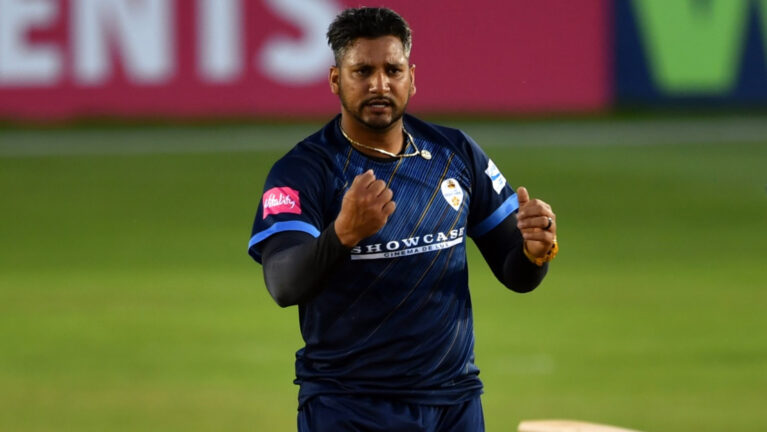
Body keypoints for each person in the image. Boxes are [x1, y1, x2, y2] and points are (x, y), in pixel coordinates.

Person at [247, 7, 558, 431]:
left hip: (455, 404)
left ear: (411, 77)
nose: (379, 84)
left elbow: (516, 274)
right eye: (362, 71)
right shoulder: (304, 171)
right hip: (350, 407)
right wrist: (342, 234)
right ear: (336, 80)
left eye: (392, 70)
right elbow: (283, 284)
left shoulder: (454, 153)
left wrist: (535, 252)